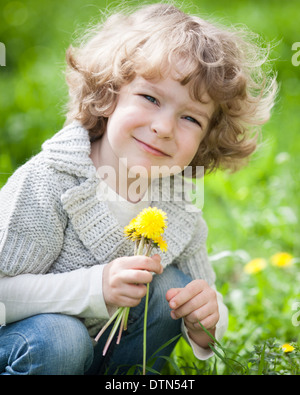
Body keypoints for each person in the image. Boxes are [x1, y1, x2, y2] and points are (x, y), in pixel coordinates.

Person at [0, 2, 277, 375]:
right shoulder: (50, 181)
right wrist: (95, 288)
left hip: (105, 356)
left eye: (190, 118)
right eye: (150, 98)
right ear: (110, 93)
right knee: (62, 337)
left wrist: (207, 322)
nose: (164, 127)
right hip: (29, 343)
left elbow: (203, 295)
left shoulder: (178, 205)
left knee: (171, 290)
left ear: (207, 137)